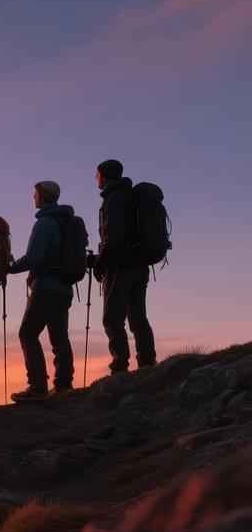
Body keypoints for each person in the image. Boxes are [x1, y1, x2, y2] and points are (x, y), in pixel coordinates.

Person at [8, 181, 77, 400]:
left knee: (27, 334)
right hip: (65, 288)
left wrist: (10, 268)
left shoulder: (45, 224)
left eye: (35, 193)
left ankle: (37, 387)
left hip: (46, 287)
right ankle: (64, 384)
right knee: (59, 337)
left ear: (43, 196)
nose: (33, 197)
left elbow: (33, 258)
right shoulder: (66, 222)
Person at [90, 159, 156, 374]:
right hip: (140, 264)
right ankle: (147, 363)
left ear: (104, 175)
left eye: (97, 174)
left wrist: (100, 263)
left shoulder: (115, 198)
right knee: (138, 315)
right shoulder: (130, 197)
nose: (95, 178)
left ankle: (120, 366)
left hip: (121, 266)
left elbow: (114, 238)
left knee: (112, 318)